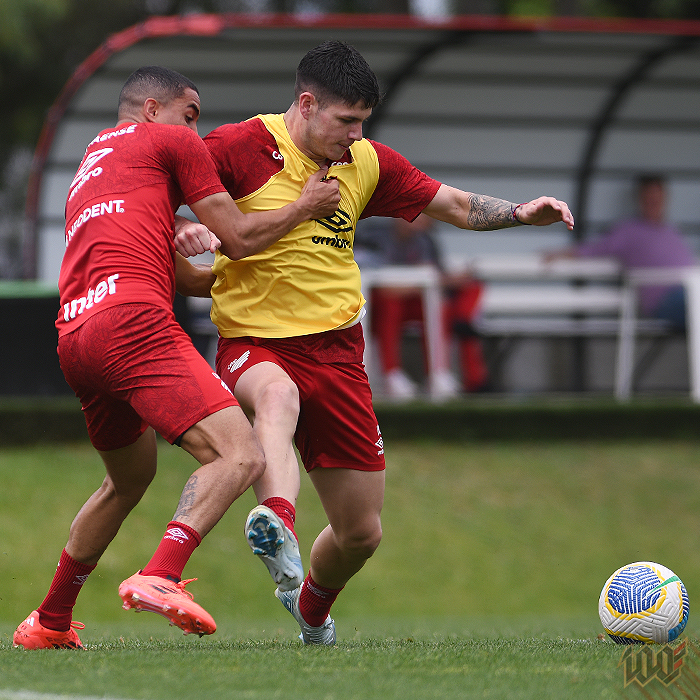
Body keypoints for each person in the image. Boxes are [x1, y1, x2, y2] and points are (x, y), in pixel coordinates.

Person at [202, 40, 574, 645]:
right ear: (306, 104)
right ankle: (277, 523)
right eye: (346, 120)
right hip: (255, 340)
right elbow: (166, 198)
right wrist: (186, 229)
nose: (355, 135)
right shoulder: (236, 146)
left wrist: (520, 213)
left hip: (338, 353)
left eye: (362, 123)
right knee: (276, 398)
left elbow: (453, 203)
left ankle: (310, 609)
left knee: (361, 533)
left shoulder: (366, 162)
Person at [13, 66, 340, 650]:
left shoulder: (92, 165)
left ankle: (49, 621)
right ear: (151, 110)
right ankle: (161, 573)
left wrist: (206, 245)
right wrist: (304, 207)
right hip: (133, 324)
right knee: (242, 455)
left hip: (76, 334)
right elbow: (237, 236)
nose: (196, 132)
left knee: (127, 481)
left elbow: (189, 279)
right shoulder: (171, 142)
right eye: (190, 116)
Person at [356, 213, 488, 400]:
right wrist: (422, 283)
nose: (425, 220)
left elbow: (435, 277)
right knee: (390, 304)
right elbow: (371, 279)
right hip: (374, 307)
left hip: (413, 302)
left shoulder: (425, 240)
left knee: (439, 308)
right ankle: (391, 373)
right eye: (419, 214)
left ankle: (438, 372)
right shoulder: (373, 236)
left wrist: (441, 281)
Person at [545, 174, 695, 330]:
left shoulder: (671, 231)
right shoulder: (629, 231)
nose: (653, 203)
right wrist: (561, 254)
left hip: (689, 291)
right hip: (665, 300)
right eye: (649, 199)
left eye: (657, 199)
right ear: (639, 199)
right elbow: (597, 249)